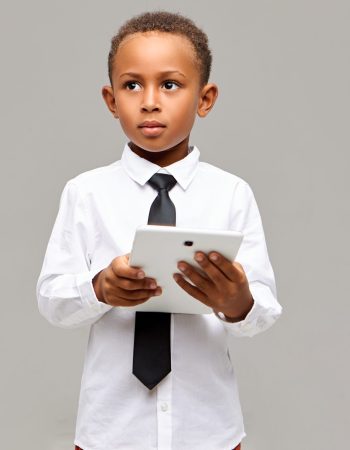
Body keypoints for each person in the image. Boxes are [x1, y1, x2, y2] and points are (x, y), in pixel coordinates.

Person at [36, 10, 282, 450]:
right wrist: (99, 288)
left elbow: (262, 310)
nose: (150, 100)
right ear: (111, 101)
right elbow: (52, 301)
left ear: (205, 99)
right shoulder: (85, 193)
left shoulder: (232, 194)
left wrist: (236, 301)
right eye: (132, 85)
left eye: (170, 84)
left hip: (208, 430)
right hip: (111, 431)